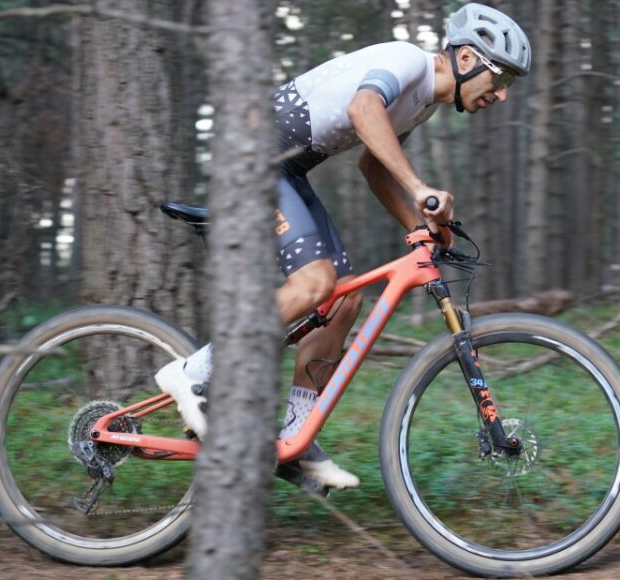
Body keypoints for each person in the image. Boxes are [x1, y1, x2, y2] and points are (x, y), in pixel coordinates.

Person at [155, 3, 532, 489]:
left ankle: (295, 440)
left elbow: (373, 168)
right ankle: (192, 372)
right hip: (251, 152)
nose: (501, 95)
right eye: (501, 78)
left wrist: (420, 225)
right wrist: (420, 189)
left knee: (343, 298)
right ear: (465, 60)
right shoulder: (408, 61)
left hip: (283, 168)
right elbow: (362, 110)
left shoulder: (422, 103)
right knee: (315, 284)